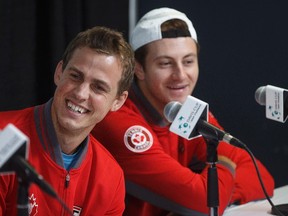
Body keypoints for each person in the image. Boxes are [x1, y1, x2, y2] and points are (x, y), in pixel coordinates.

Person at [92, 7, 275, 216]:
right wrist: (223, 168)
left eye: (188, 61)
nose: (180, 75)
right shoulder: (119, 120)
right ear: (138, 68)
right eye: (165, 64)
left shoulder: (188, 109)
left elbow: (261, 177)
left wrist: (209, 197)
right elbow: (205, 203)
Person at [0, 26, 135, 215]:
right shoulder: (2, 138)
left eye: (98, 87)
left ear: (118, 101)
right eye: (75, 76)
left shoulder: (111, 177)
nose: (80, 93)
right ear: (59, 72)